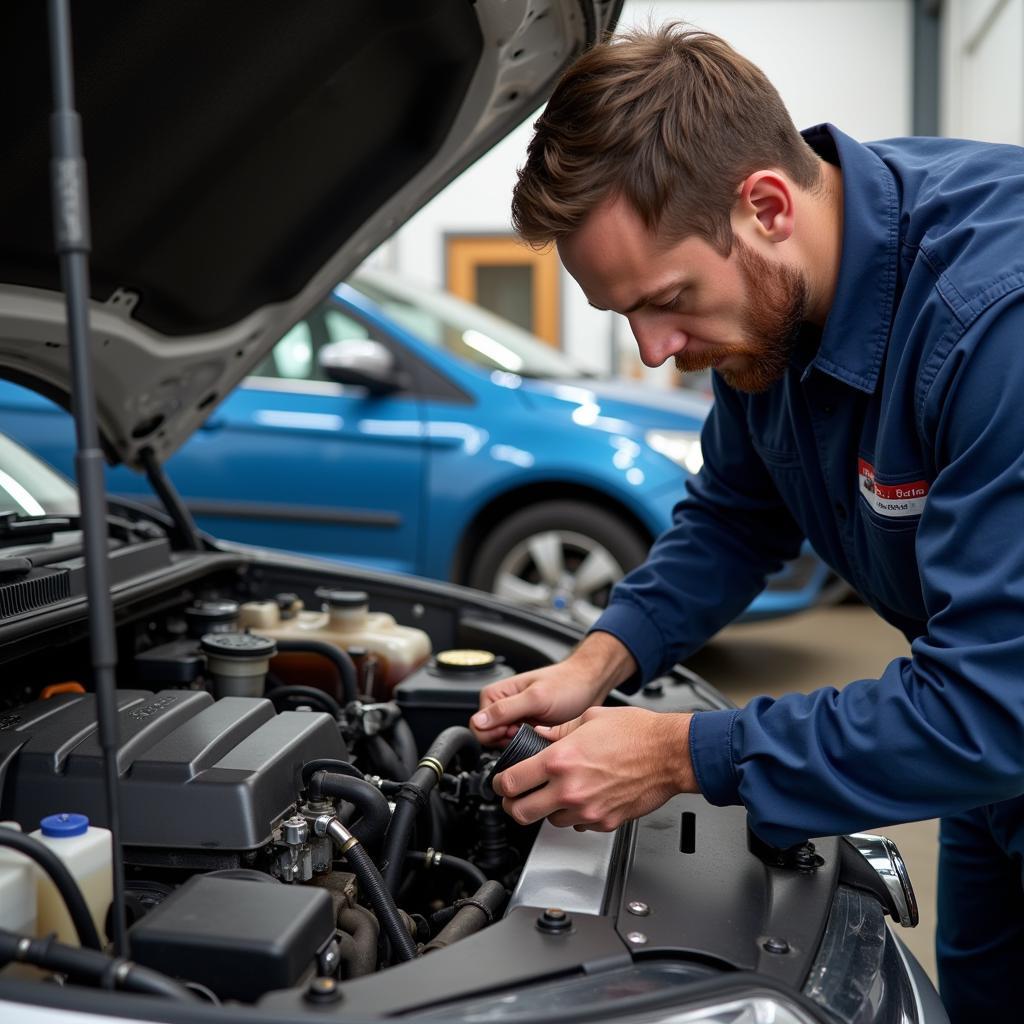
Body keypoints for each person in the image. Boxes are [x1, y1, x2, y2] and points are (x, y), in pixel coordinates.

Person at [467, 24, 1024, 1020]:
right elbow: (735, 512)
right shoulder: (778, 303)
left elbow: (990, 706)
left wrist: (678, 752)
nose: (651, 351)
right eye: (623, 314)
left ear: (764, 205)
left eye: (670, 300)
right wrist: (599, 658)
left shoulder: (993, 324)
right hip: (993, 784)